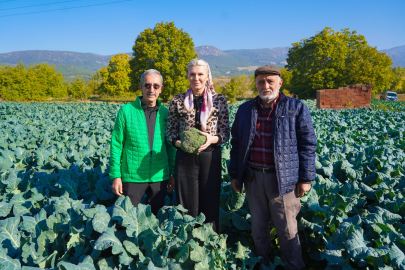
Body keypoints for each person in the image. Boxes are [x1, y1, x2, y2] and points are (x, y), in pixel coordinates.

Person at [229, 65, 317, 269]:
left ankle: (294, 266)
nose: (265, 85)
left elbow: (308, 144)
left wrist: (305, 178)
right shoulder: (245, 110)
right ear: (256, 84)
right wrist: (235, 174)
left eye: (270, 81)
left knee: (287, 230)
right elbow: (237, 144)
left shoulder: (296, 107)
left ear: (280, 83)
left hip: (283, 180)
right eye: (261, 81)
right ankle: (264, 264)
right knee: (259, 229)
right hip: (253, 178)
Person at [166, 58, 230, 233]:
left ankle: (209, 240)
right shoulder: (177, 101)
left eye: (200, 74)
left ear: (207, 76)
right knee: (186, 204)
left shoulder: (219, 100)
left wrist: (212, 139)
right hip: (184, 158)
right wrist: (179, 143)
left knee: (210, 202)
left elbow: (225, 133)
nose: (196, 78)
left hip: (210, 156)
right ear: (187, 76)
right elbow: (170, 132)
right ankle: (187, 239)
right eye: (192, 74)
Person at [110, 69, 176, 215]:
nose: (151, 89)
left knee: (154, 220)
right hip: (132, 176)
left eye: (155, 86)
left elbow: (171, 147)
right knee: (126, 220)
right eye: (147, 85)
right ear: (141, 87)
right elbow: (116, 145)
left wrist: (172, 173)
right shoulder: (126, 111)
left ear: (161, 89)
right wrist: (116, 176)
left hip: (160, 177)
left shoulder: (166, 113)